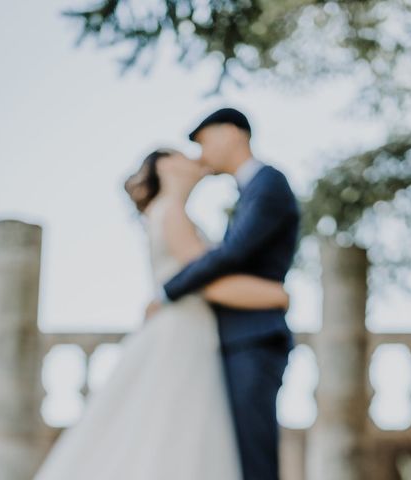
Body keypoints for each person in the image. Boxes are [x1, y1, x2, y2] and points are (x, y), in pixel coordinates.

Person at [33, 146, 291, 480]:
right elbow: (206, 282)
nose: (198, 159)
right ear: (166, 166)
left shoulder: (166, 212)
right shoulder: (172, 212)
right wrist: (274, 294)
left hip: (186, 331)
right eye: (185, 154)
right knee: (176, 432)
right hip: (182, 336)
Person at [147, 107, 300, 480]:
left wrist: (169, 291)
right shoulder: (250, 190)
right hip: (237, 337)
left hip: (254, 336)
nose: (202, 153)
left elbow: (232, 254)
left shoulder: (268, 183)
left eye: (204, 141)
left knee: (254, 453)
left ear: (232, 133)